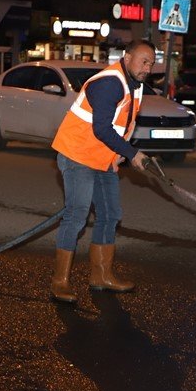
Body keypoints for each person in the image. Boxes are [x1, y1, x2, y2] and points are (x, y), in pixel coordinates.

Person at [49, 39, 155, 302]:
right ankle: (59, 281)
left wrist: (120, 153)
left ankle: (101, 275)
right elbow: (102, 129)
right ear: (127, 57)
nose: (147, 68)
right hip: (77, 156)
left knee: (110, 214)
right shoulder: (109, 83)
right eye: (143, 61)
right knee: (77, 216)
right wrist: (132, 154)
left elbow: (123, 125)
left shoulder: (135, 85)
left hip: (102, 159)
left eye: (151, 64)